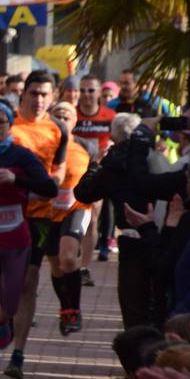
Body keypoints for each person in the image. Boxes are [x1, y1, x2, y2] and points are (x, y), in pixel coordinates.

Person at [0, 102, 57, 379]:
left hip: (17, 241)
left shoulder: (21, 156)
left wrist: (16, 178)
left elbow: (50, 188)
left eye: (0, 122)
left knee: (11, 300)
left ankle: (3, 319)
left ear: (9, 124)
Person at [3, 71, 67, 379]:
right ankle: (3, 314)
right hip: (3, 212)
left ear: (53, 96)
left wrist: (52, 181)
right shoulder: (6, 124)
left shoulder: (58, 130)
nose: (39, 99)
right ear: (23, 94)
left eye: (44, 94)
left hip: (39, 214)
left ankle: (18, 354)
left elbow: (60, 169)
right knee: (4, 280)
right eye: (33, 93)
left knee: (29, 280)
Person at [47, 102, 97, 335]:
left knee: (68, 258)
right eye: (58, 116)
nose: (63, 120)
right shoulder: (44, 146)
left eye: (67, 117)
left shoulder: (84, 146)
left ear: (75, 120)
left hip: (77, 207)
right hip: (47, 212)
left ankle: (74, 310)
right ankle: (65, 307)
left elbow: (94, 173)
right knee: (57, 265)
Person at [75, 74, 118, 265]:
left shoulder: (109, 116)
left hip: (96, 171)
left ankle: (84, 266)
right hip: (73, 172)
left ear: (99, 93)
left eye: (91, 90)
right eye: (82, 90)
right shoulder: (72, 115)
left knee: (92, 218)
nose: (86, 95)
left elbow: (119, 140)